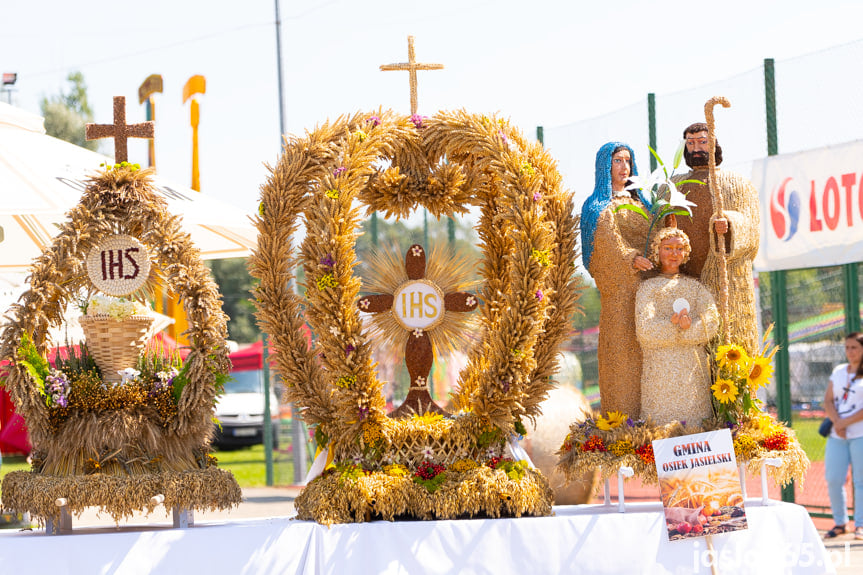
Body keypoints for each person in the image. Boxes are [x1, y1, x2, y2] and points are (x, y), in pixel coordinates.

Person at [671, 123, 760, 355]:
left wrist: (729, 224)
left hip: (725, 282)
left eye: (702, 142)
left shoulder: (737, 184)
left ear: (714, 145)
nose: (696, 148)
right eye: (691, 143)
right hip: (686, 279)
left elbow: (751, 230)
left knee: (729, 347)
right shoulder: (673, 187)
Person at [580, 142, 653, 418]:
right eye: (618, 161)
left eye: (628, 161)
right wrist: (629, 258)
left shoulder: (642, 202)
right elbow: (603, 242)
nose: (624, 167)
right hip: (620, 292)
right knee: (622, 355)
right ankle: (624, 422)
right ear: (605, 166)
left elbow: (655, 233)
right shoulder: (596, 206)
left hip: (650, 286)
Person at [635, 227, 719, 425]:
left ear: (685, 253)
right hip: (660, 370)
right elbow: (644, 330)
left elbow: (712, 320)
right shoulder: (648, 288)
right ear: (657, 251)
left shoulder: (695, 287)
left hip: (692, 369)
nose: (674, 254)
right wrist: (673, 327)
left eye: (679, 248)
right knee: (661, 424)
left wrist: (689, 328)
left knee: (695, 423)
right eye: (668, 248)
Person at [823, 332, 863, 540]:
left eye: (854, 347)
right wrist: (837, 423)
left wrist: (843, 423)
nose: (850, 351)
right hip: (837, 435)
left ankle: (861, 525)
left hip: (860, 435)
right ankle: (841, 522)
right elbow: (828, 400)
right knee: (833, 478)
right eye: (847, 347)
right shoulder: (838, 371)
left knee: (861, 480)